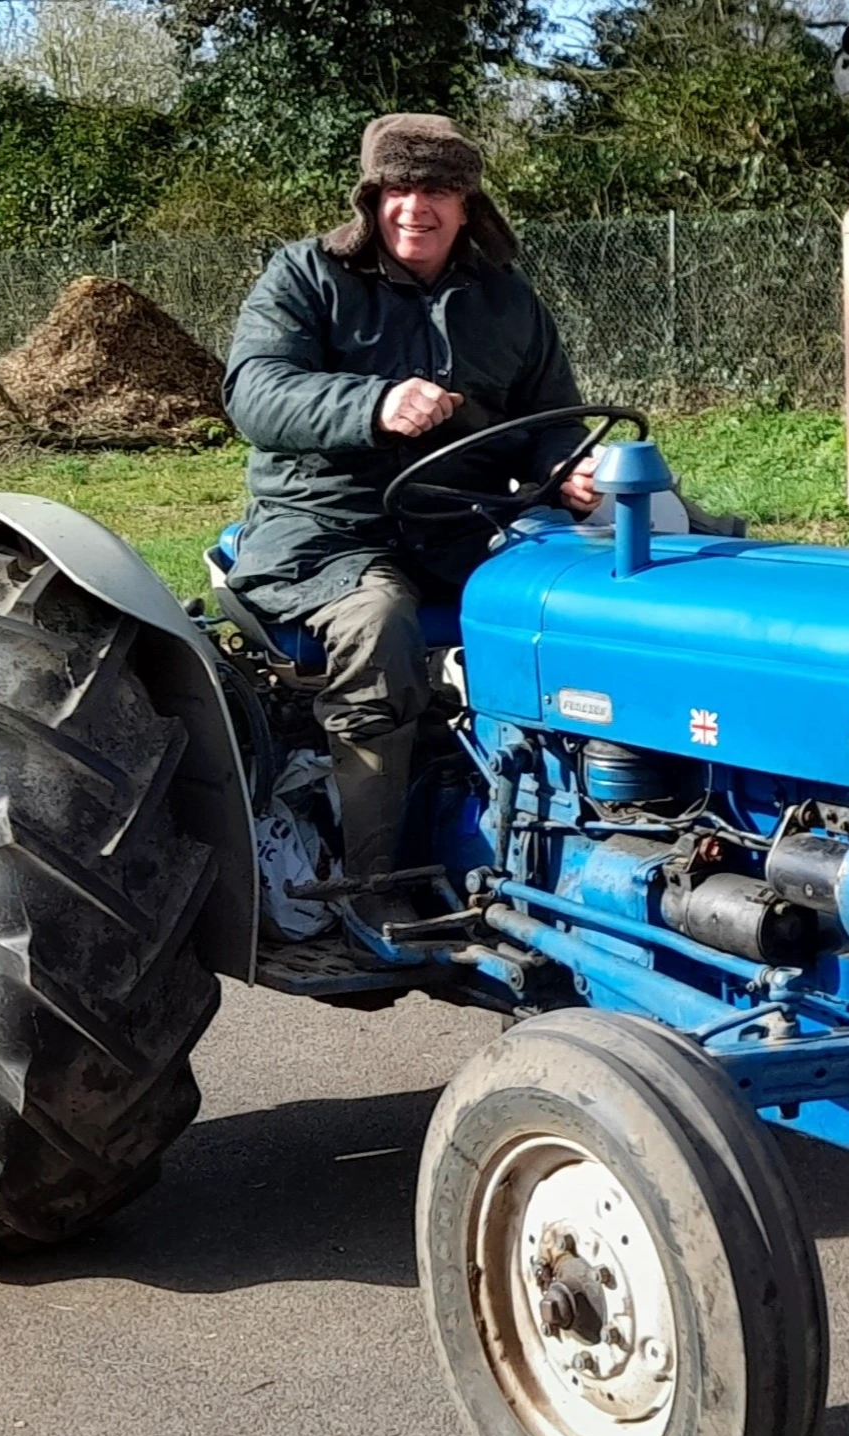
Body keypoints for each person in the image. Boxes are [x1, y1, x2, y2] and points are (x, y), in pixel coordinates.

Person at [222, 113, 596, 954]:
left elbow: (548, 417)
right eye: (398, 189)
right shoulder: (306, 277)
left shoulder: (506, 301)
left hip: (459, 528)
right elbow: (253, 391)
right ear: (370, 198)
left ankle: (553, 845)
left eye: (436, 191)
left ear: (467, 205)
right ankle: (373, 880)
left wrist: (570, 464)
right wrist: (372, 403)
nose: (414, 208)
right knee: (380, 624)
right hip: (324, 531)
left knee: (580, 609)